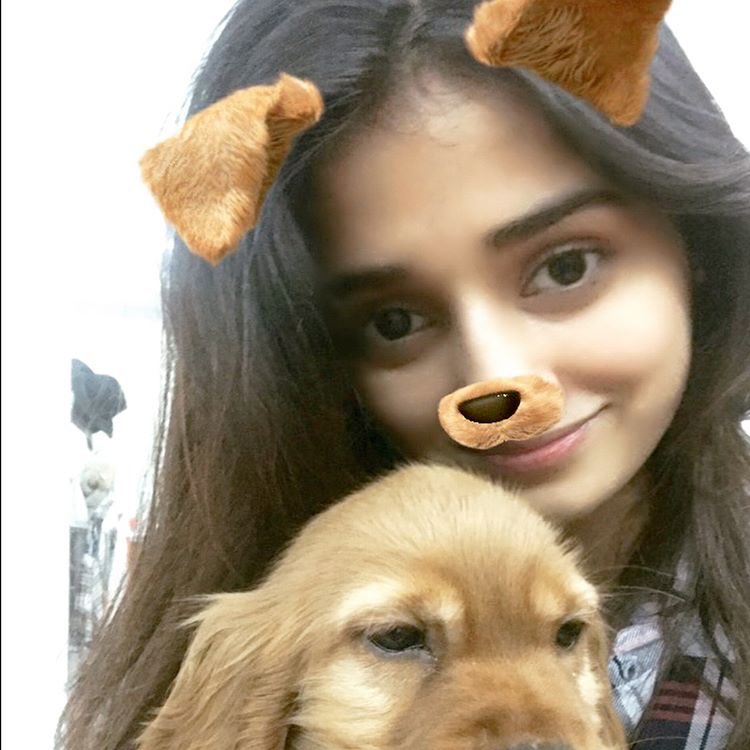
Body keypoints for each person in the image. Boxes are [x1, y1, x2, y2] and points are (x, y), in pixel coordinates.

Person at [58, 1, 750, 748]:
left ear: (698, 249)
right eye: (394, 321)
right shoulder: (260, 613)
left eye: (566, 266)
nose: (499, 383)